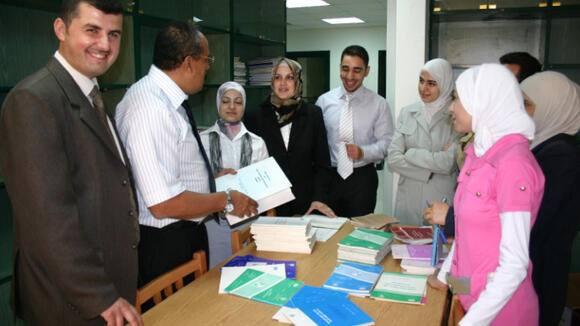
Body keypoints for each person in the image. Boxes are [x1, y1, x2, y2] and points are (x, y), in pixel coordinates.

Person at [0, 0, 142, 325]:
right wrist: (100, 296)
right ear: (61, 29)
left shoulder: (91, 93)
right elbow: (47, 218)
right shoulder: (34, 100)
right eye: (92, 30)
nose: (105, 45)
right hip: (70, 302)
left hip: (108, 284)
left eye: (114, 34)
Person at [115, 22, 257, 287]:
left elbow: (167, 171)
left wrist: (209, 180)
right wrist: (225, 198)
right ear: (189, 62)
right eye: (207, 59)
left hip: (183, 232)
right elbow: (163, 204)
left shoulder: (169, 100)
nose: (208, 67)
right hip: (166, 241)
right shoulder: (151, 109)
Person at [430, 64, 545, 325]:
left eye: (457, 99)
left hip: (501, 314)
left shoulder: (514, 164)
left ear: (484, 102)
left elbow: (514, 266)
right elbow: (465, 234)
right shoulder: (479, 153)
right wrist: (446, 278)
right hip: (470, 302)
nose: (451, 108)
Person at [521, 71, 580, 326]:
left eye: (527, 104)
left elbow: (537, 216)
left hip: (543, 267)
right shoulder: (542, 144)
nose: (521, 112)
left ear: (551, 107)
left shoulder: (562, 155)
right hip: (534, 260)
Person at [245, 58, 335, 217]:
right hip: (268, 207)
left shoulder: (313, 114)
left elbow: (323, 165)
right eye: (277, 77)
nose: (283, 83)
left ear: (298, 81)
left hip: (306, 206)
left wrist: (319, 199)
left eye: (289, 77)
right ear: (272, 81)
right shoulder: (255, 116)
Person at [315, 45, 394, 217]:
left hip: (362, 179)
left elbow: (387, 143)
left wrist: (363, 152)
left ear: (367, 71)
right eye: (345, 69)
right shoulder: (323, 102)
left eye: (357, 70)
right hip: (329, 178)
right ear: (340, 68)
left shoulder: (379, 104)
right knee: (328, 230)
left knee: (359, 232)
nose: (350, 76)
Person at [200, 81, 269, 268]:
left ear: (244, 106)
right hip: (214, 222)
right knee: (217, 272)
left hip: (250, 219)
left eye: (238, 102)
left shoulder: (257, 143)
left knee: (250, 271)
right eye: (226, 101)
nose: (232, 107)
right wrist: (213, 180)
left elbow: (266, 186)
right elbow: (193, 184)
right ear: (218, 104)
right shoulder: (202, 141)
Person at [387, 58, 459, 226]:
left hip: (440, 203)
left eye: (432, 83)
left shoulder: (455, 114)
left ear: (444, 83)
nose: (423, 88)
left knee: (438, 249)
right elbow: (393, 159)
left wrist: (411, 153)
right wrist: (429, 171)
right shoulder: (407, 112)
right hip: (408, 203)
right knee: (402, 248)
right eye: (421, 81)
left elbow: (448, 162)